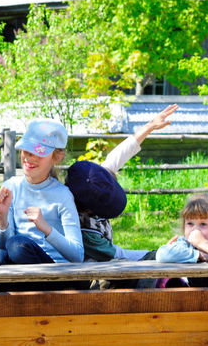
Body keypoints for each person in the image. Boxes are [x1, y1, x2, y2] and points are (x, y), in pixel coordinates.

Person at [65, 104, 178, 262]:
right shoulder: (85, 232)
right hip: (91, 273)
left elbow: (118, 156)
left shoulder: (91, 186)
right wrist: (158, 254)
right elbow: (117, 255)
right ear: (91, 209)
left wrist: (150, 126)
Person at [0, 118, 83, 264]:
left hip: (54, 272)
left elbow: (78, 255)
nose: (29, 157)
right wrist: (2, 217)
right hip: (19, 265)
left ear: (56, 157)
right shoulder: (11, 187)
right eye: (26, 150)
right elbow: (2, 248)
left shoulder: (62, 195)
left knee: (18, 245)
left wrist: (46, 228)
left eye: (38, 152)